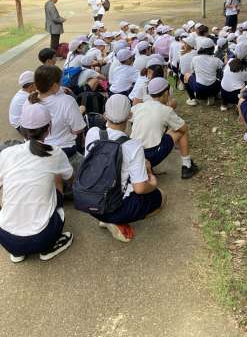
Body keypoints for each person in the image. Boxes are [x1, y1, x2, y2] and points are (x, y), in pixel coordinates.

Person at [0, 103, 73, 263]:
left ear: (22, 129)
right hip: (42, 238)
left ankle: (18, 252)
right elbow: (69, 177)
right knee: (56, 176)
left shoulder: (6, 153)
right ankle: (48, 249)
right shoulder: (55, 153)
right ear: (49, 128)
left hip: (6, 238)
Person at [84, 94, 164, 242]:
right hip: (114, 208)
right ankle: (115, 220)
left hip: (89, 203)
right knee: (160, 197)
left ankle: (106, 218)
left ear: (105, 114)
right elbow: (140, 188)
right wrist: (153, 183)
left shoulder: (92, 132)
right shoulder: (133, 145)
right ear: (130, 115)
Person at [24, 65, 86, 194]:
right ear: (54, 85)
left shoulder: (29, 101)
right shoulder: (67, 101)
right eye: (60, 81)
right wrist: (79, 112)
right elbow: (78, 130)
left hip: (35, 149)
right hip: (65, 151)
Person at [131, 78, 199, 179]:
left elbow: (128, 117)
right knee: (181, 129)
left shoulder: (139, 107)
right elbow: (183, 127)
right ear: (166, 93)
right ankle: (187, 166)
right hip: (151, 155)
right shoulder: (165, 110)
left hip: (134, 155)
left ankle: (145, 168)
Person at [185, 38, 223, 105]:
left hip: (200, 88)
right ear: (213, 48)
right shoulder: (216, 60)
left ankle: (192, 99)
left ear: (201, 48)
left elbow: (192, 72)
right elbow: (222, 68)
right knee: (218, 77)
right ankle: (213, 95)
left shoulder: (195, 59)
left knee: (186, 75)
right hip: (214, 88)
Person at [220, 42, 247, 111]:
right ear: (246, 54)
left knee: (228, 81)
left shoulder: (230, 60)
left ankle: (224, 104)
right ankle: (238, 105)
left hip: (223, 91)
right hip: (235, 95)